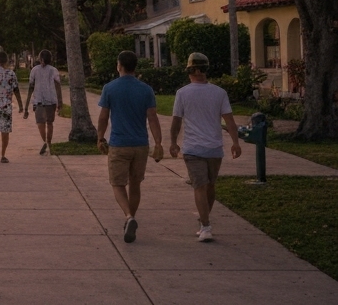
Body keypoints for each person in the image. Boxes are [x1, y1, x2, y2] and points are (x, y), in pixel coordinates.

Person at [169, 52, 243, 242]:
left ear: (191, 70)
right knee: (208, 186)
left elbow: (176, 121)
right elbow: (230, 121)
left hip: (193, 148)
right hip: (214, 148)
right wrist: (235, 142)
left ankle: (204, 224)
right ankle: (205, 224)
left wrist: (173, 142)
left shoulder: (182, 93)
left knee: (201, 187)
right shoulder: (219, 92)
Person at [96, 50, 164, 243]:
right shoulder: (146, 90)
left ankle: (129, 217)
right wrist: (158, 142)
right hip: (140, 145)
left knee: (117, 184)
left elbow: (103, 117)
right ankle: (130, 220)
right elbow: (152, 118)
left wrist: (100, 137)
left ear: (119, 65)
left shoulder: (110, 88)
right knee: (135, 184)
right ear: (135, 66)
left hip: (119, 144)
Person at [27, 49, 63, 155]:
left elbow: (31, 86)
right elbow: (58, 86)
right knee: (49, 123)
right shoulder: (54, 70)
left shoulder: (35, 70)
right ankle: (48, 143)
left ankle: (46, 142)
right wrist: (59, 101)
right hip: (50, 100)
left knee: (41, 123)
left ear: (41, 59)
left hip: (40, 100)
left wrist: (27, 104)